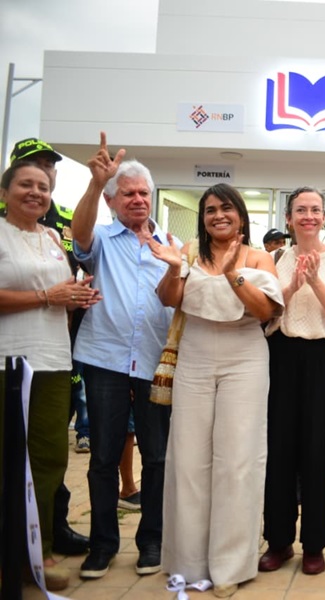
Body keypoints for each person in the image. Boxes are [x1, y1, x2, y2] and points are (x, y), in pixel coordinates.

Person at [151, 183, 281, 597]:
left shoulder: (260, 257)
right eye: (210, 210)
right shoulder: (188, 252)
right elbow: (168, 300)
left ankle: (230, 565)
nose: (217, 215)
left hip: (244, 356)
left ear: (241, 216)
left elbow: (264, 312)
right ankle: (187, 563)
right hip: (195, 354)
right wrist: (174, 269)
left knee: (237, 460)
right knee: (187, 459)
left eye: (226, 208)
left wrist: (233, 274)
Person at [71, 133, 176, 580]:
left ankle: (151, 540)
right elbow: (77, 236)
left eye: (143, 193)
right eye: (128, 193)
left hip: (154, 364)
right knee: (103, 457)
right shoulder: (100, 239)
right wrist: (96, 184)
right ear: (114, 202)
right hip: (106, 361)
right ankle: (102, 544)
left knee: (156, 456)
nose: (137, 200)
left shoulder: (169, 242)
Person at [0, 160, 100, 590]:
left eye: (43, 186)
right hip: (8, 363)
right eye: (26, 184)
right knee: (7, 461)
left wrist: (76, 297)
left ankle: (31, 556)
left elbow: (57, 296)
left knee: (47, 462)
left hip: (55, 361)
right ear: (5, 191)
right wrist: (46, 295)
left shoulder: (53, 239)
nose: (36, 192)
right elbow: (40, 295)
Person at [258, 187, 325, 576]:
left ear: (324, 217)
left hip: (323, 360)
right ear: (289, 218)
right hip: (280, 358)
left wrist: (314, 282)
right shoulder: (274, 258)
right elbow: (265, 312)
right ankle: (278, 541)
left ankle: (315, 543)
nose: (309, 216)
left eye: (315, 210)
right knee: (278, 454)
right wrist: (294, 283)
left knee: (318, 455)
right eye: (301, 210)